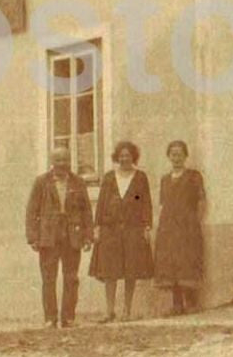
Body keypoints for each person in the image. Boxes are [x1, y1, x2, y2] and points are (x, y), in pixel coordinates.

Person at [24, 147, 94, 328]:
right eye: (58, 160)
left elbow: (86, 210)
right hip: (48, 236)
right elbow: (32, 210)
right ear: (52, 162)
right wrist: (33, 237)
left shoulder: (78, 182)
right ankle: (50, 318)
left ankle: (68, 317)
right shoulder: (41, 182)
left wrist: (88, 236)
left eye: (65, 160)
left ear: (70, 161)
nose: (62, 164)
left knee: (71, 277)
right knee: (49, 278)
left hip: (72, 235)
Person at [89, 140, 154, 321]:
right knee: (110, 271)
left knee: (130, 270)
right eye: (122, 155)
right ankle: (110, 311)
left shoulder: (140, 177)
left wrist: (147, 226)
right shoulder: (109, 177)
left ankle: (127, 311)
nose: (125, 158)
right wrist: (97, 227)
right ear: (117, 157)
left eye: (128, 155)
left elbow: (145, 202)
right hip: (111, 230)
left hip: (133, 229)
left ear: (133, 157)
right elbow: (101, 203)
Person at [153, 140, 207, 315]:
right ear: (169, 157)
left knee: (188, 260)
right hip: (169, 226)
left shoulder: (194, 176)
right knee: (171, 263)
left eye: (180, 154)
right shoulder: (165, 180)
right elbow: (163, 204)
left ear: (185, 156)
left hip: (188, 225)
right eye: (173, 154)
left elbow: (201, 200)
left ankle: (192, 303)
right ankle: (177, 305)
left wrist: (196, 221)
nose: (177, 158)